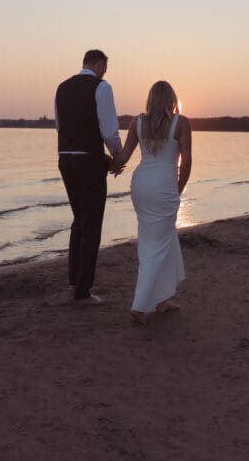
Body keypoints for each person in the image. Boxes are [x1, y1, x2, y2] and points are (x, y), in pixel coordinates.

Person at [112, 81, 192, 324]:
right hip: (163, 186)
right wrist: (178, 190)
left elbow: (123, 157)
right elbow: (186, 162)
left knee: (157, 240)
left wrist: (108, 164)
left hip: (141, 184)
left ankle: (162, 299)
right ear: (172, 99)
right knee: (156, 246)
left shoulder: (137, 122)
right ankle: (140, 305)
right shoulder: (181, 123)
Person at [55, 49, 122, 304]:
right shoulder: (101, 87)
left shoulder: (62, 87)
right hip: (89, 160)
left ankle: (73, 283)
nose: (105, 72)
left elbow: (60, 126)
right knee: (92, 223)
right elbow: (108, 129)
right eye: (104, 67)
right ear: (98, 63)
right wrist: (116, 156)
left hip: (66, 158)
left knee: (78, 220)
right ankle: (83, 291)